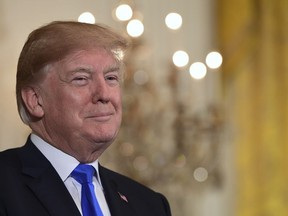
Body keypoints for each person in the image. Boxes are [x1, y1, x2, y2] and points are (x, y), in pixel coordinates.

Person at [0, 21, 171, 216]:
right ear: (35, 100)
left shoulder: (149, 205)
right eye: (81, 79)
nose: (104, 94)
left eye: (111, 78)